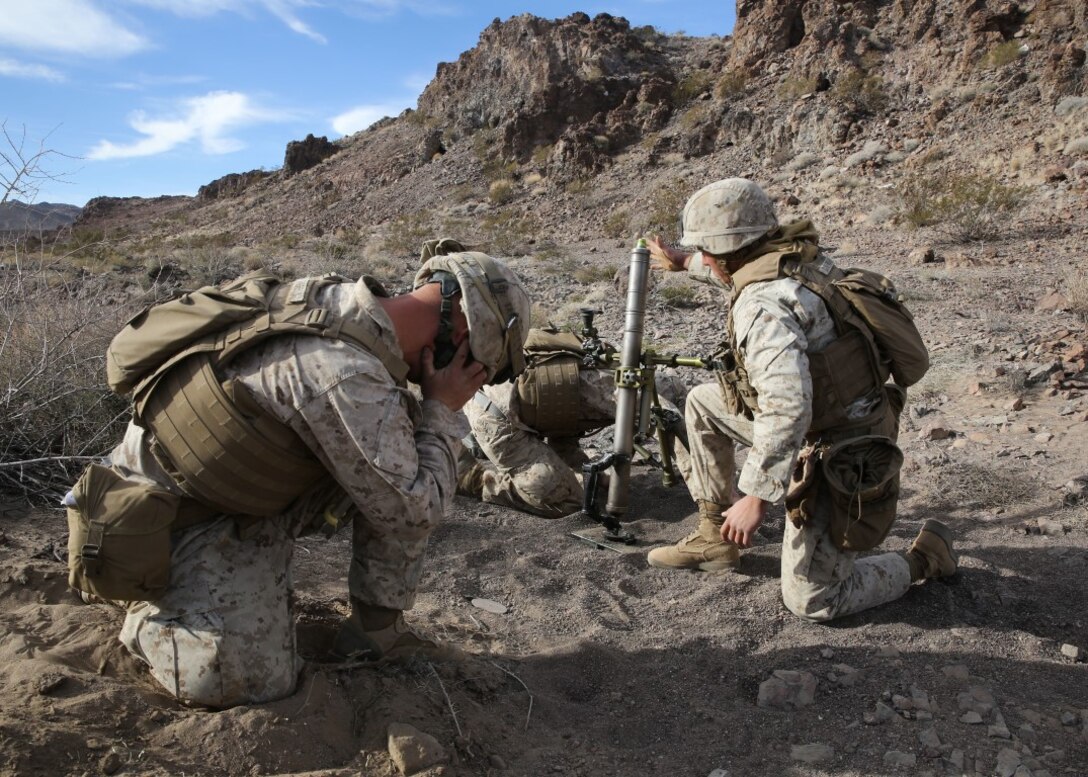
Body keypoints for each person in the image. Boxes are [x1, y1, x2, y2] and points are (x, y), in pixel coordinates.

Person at [65, 250, 531, 707]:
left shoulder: (342, 303)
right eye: (483, 368)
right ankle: (153, 610)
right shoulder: (344, 372)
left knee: (403, 441)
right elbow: (415, 513)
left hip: (240, 487)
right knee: (241, 683)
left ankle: (376, 632)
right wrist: (442, 410)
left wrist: (426, 417)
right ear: (465, 335)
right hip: (175, 520)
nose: (479, 381)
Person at [644, 178, 958, 622]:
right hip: (833, 420)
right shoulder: (794, 257)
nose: (705, 261)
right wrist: (683, 262)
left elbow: (788, 408)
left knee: (815, 599)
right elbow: (743, 272)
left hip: (842, 450)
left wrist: (756, 496)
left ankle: (925, 558)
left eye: (705, 253)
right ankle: (715, 537)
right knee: (703, 403)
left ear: (723, 255)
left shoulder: (762, 306)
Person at [457, 327, 692, 518]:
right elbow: (665, 416)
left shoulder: (621, 377)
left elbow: (667, 398)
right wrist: (702, 485)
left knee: (671, 390)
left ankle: (570, 464)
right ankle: (470, 477)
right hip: (499, 418)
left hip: (550, 406)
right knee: (565, 499)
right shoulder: (616, 389)